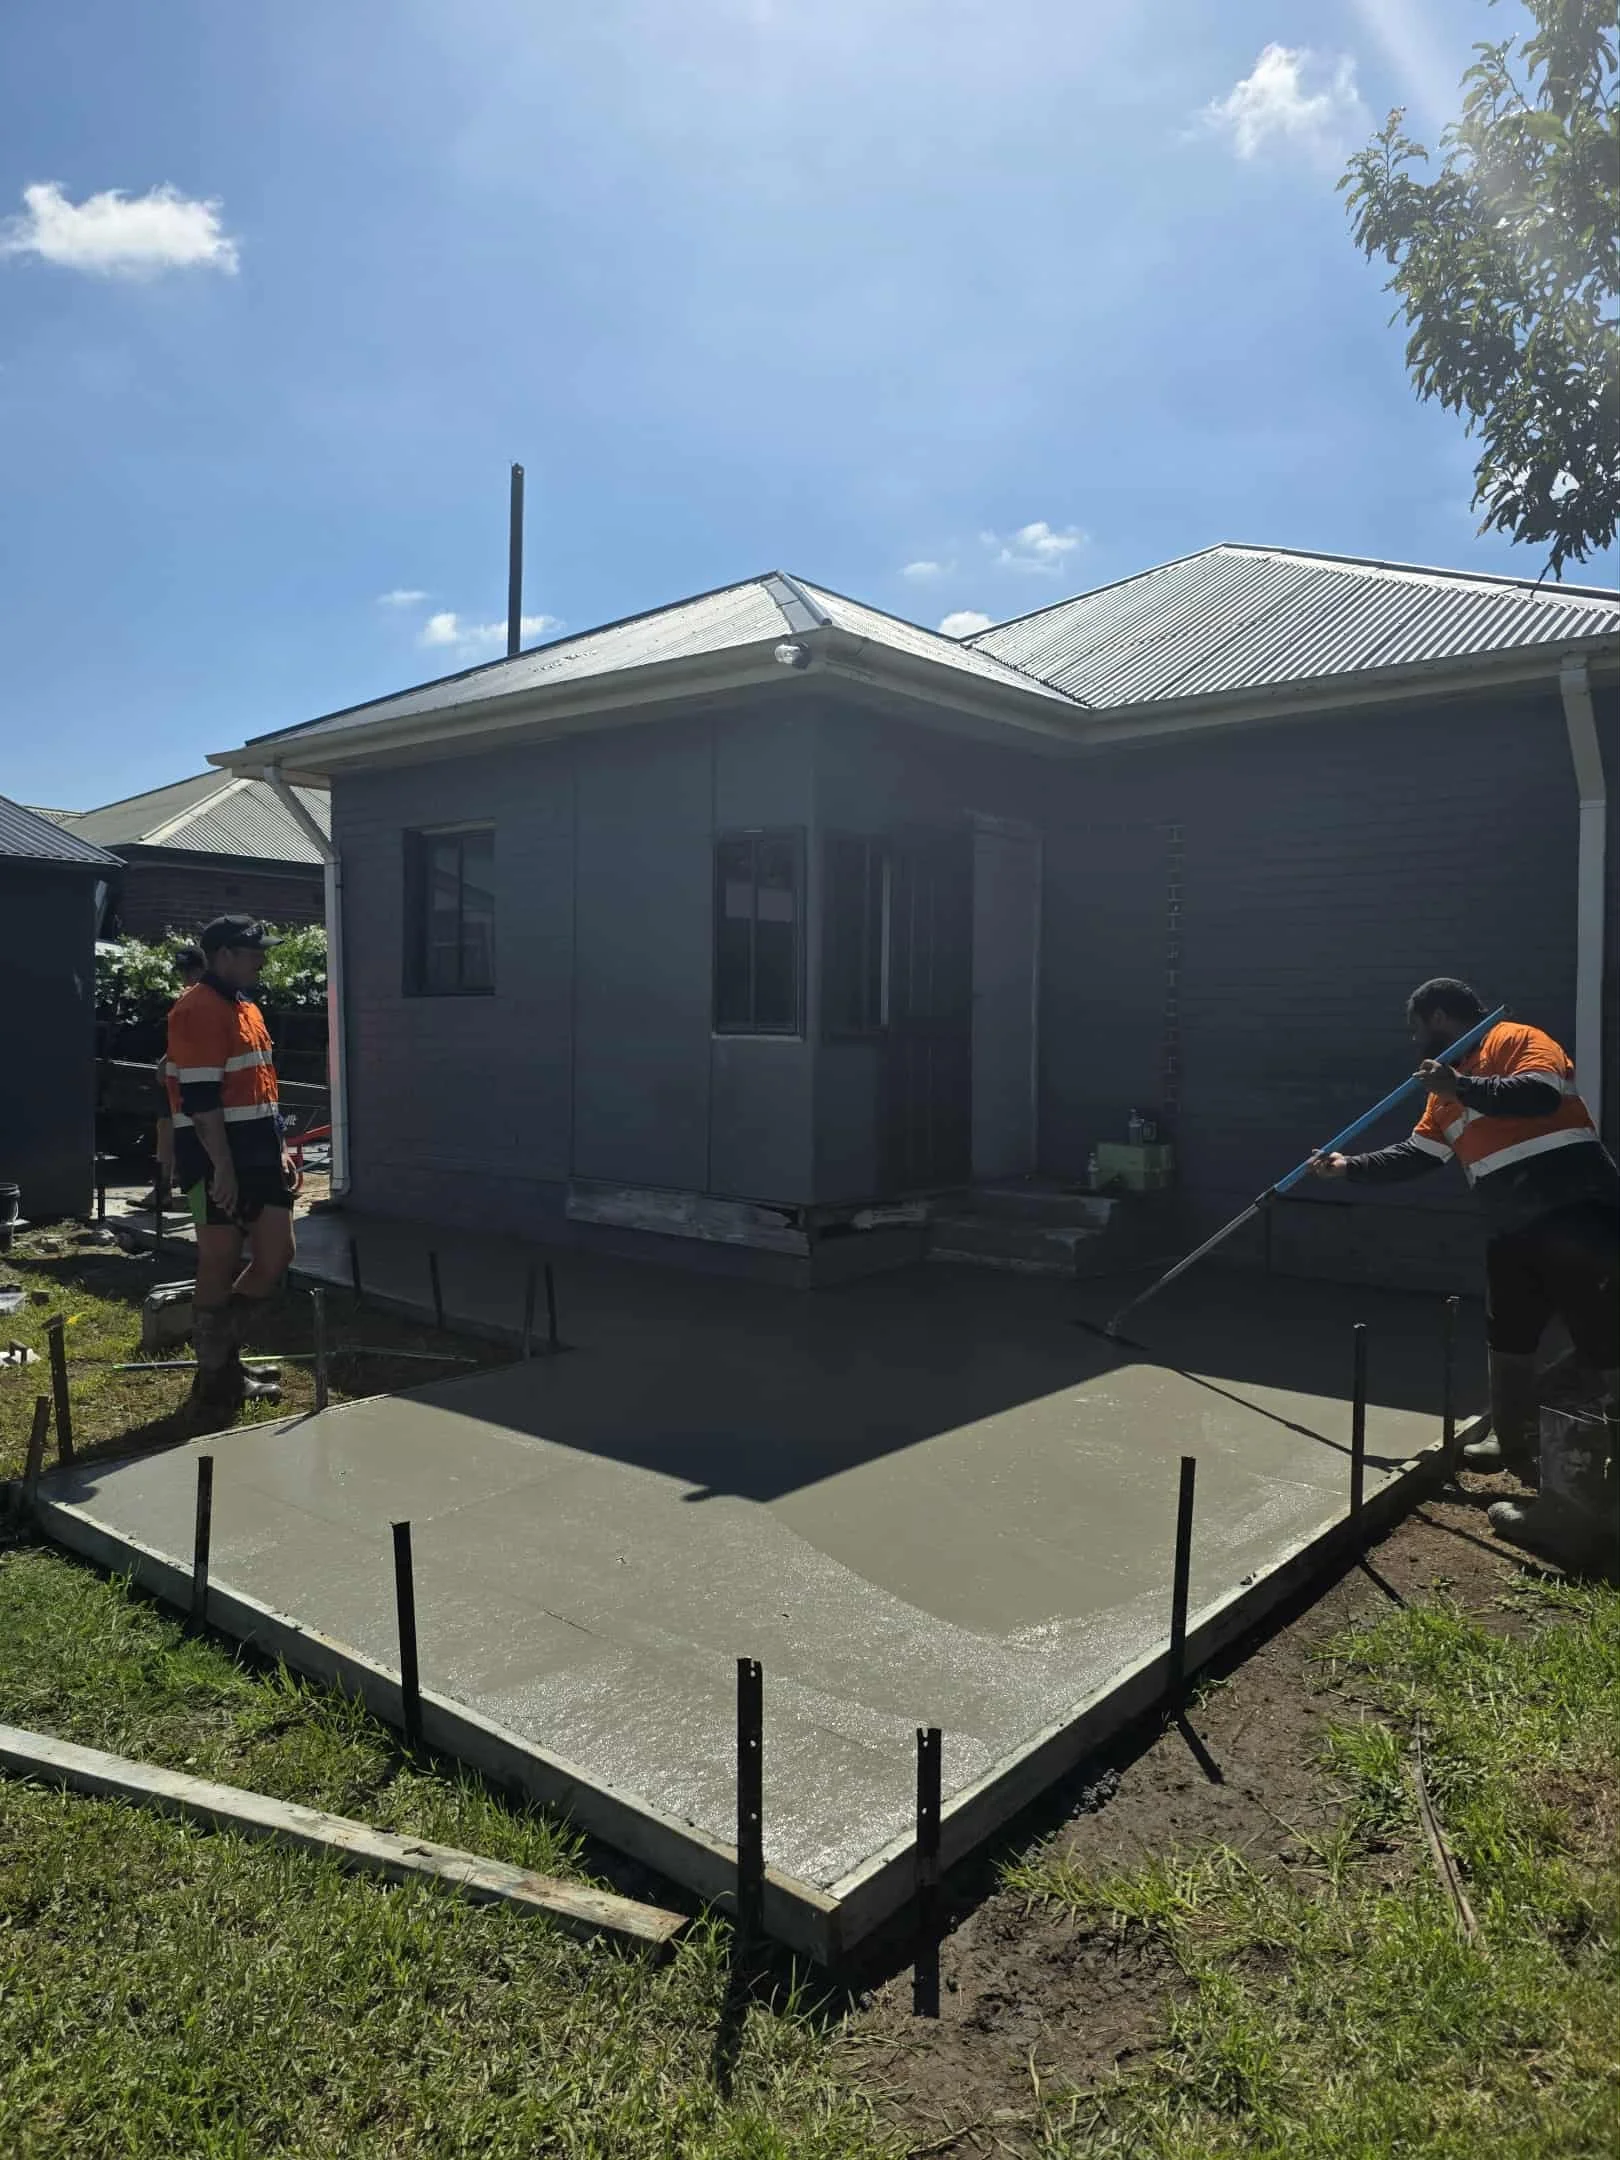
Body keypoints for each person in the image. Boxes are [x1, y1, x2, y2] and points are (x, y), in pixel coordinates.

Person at [1312, 980, 1618, 1553]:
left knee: (1602, 1337)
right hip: (1512, 1226)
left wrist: (1462, 1084)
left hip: (1576, 1213)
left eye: (1416, 1027)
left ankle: (1601, 1493)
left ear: (1439, 1015)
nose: (1413, 1040)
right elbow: (1417, 1154)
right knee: (1509, 1333)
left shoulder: (1515, 1038)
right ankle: (1511, 1438)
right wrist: (1347, 1166)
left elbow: (1539, 1093)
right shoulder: (1441, 1092)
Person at [165, 916, 298, 1415]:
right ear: (223, 955)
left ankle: (224, 1357)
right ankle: (215, 1375)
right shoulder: (195, 1010)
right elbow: (200, 1103)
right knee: (219, 1258)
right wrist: (222, 1167)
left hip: (259, 1151)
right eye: (252, 952)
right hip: (211, 1157)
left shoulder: (247, 1008)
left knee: (276, 1254)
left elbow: (261, 1089)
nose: (262, 959)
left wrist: (279, 1147)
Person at [149, 944, 207, 1207]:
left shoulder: (204, 999)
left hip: (193, 1078)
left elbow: (192, 1038)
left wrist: (166, 1060)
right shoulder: (187, 996)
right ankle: (163, 1191)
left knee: (193, 1137)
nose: (186, 977)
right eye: (183, 971)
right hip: (178, 1076)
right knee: (166, 1128)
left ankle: (200, 1205)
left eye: (190, 971)